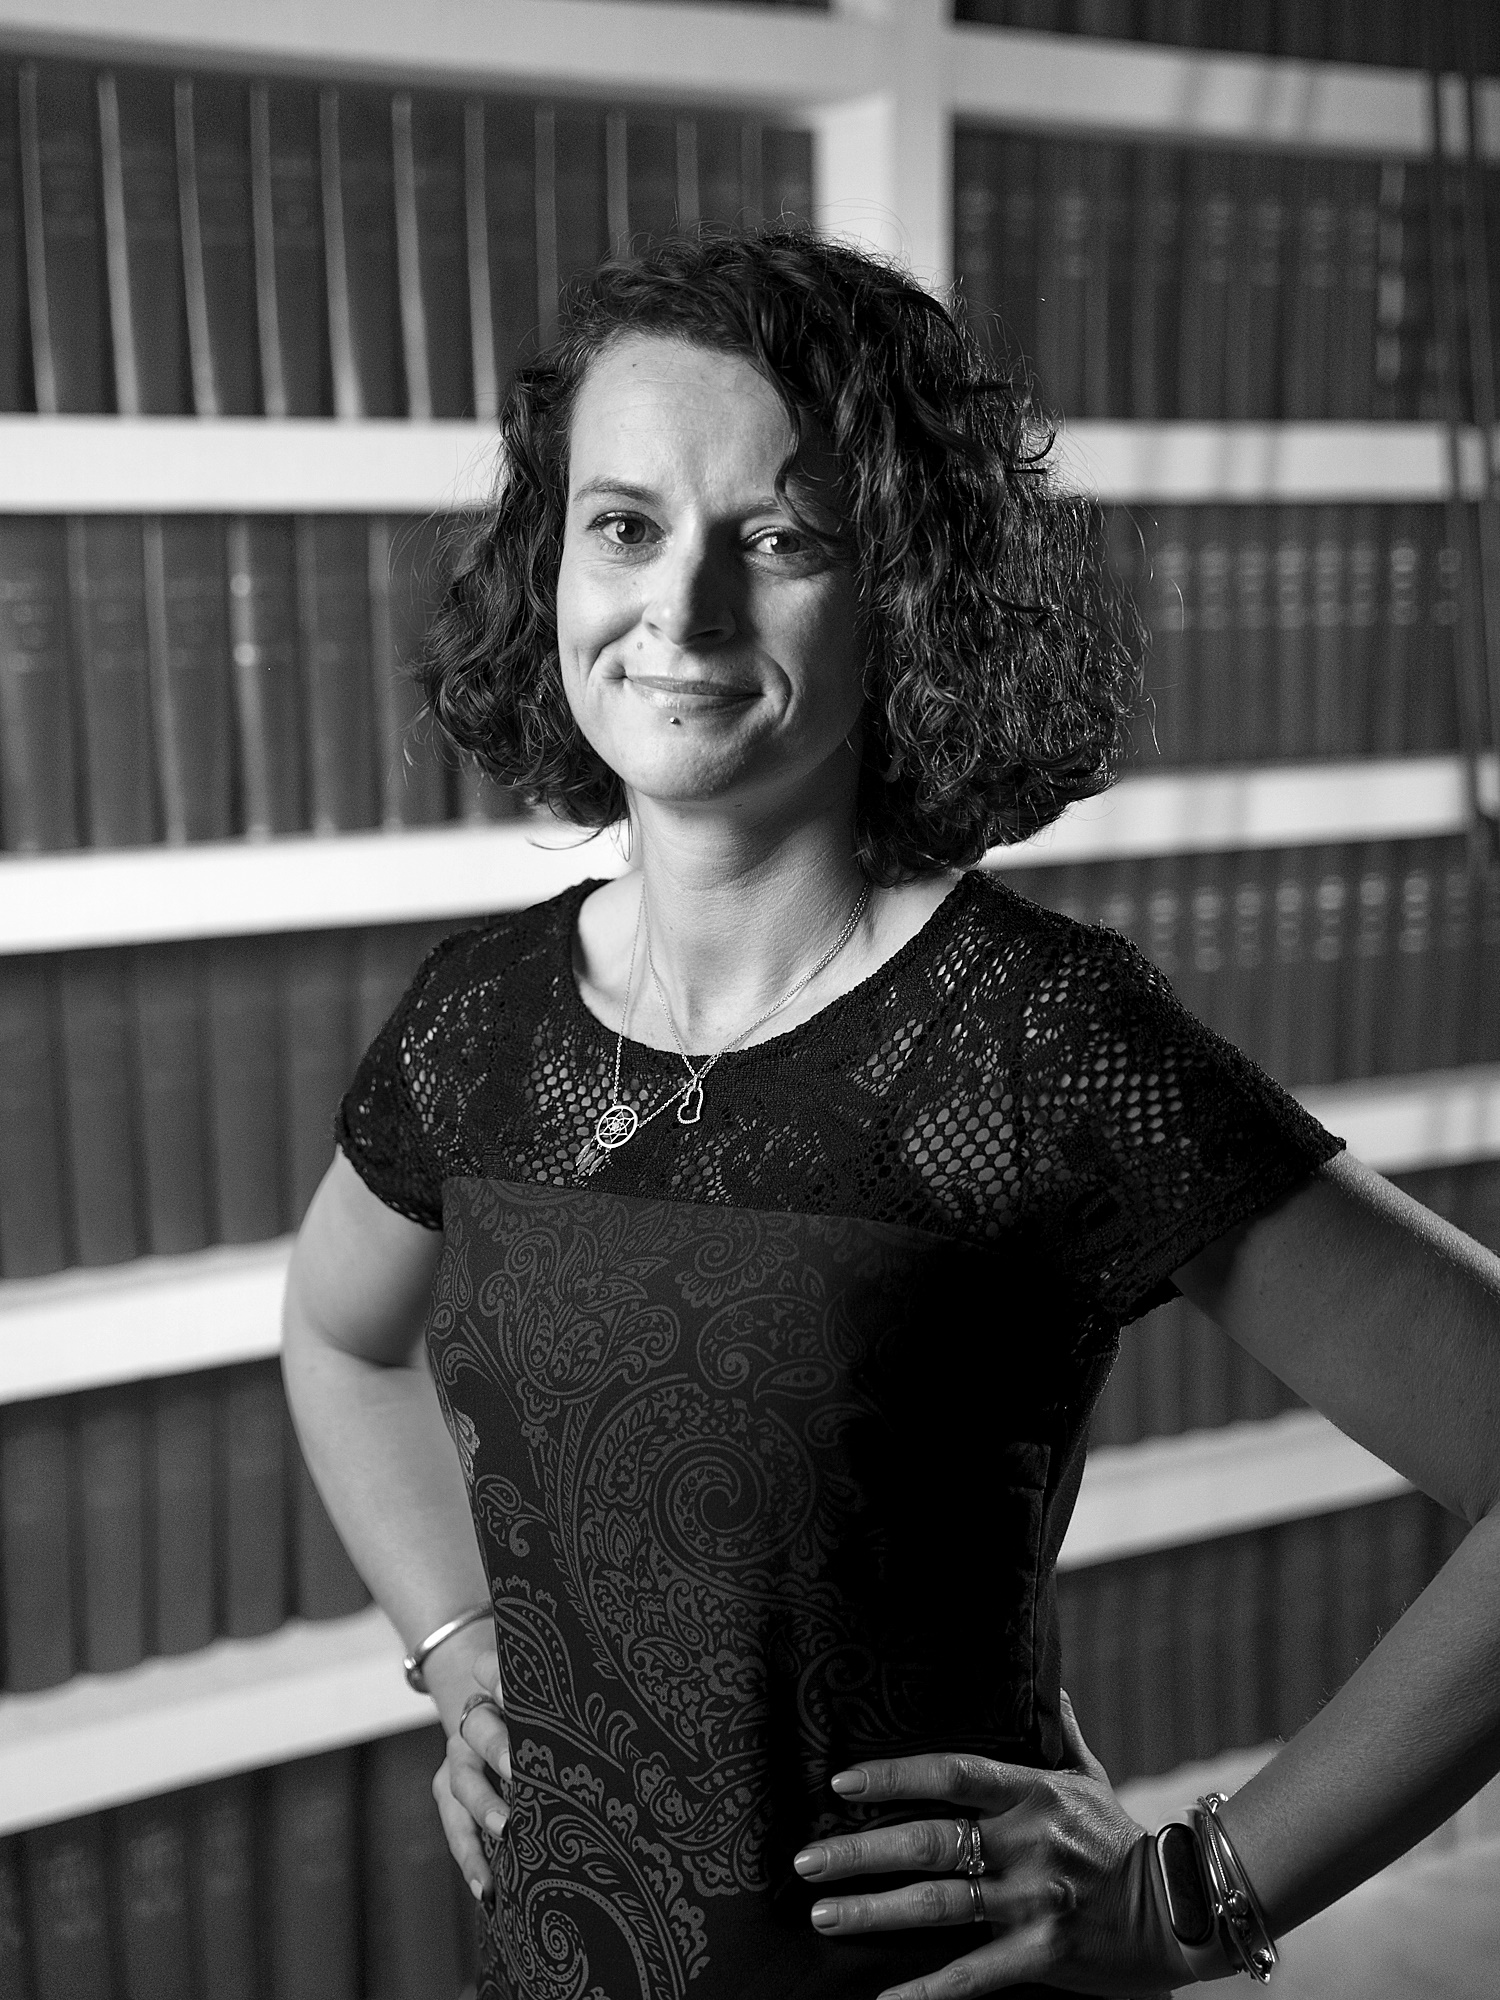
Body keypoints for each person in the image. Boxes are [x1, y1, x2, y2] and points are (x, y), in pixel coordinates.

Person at [282, 228, 1500, 2000]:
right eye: (624, 526)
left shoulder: (1034, 1037)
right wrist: (461, 1644)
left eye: (782, 539)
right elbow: (337, 1335)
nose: (683, 611)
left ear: (906, 590)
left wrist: (1195, 1895)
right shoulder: (482, 1020)